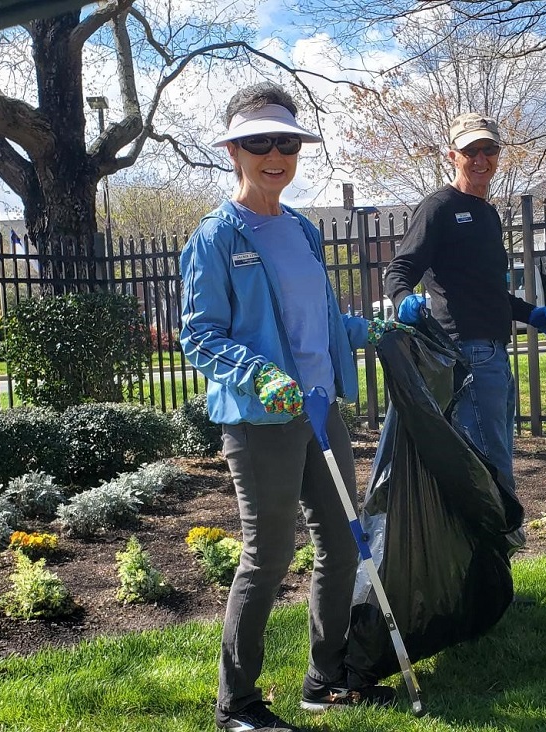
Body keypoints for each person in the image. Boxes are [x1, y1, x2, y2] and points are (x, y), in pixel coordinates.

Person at [180, 82, 400, 732]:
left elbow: (317, 319)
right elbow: (200, 334)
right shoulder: (216, 237)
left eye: (286, 142)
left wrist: (366, 331)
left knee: (342, 542)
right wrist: (259, 376)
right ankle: (237, 705)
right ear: (234, 151)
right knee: (267, 555)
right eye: (259, 143)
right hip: (260, 420)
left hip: (321, 408)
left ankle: (324, 679)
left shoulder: (302, 228)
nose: (275, 154)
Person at [383, 113, 546, 518]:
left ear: (498, 155)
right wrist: (402, 300)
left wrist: (536, 314)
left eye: (489, 150)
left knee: (496, 454)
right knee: (490, 464)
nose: (480, 159)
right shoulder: (438, 207)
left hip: (494, 353)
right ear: (453, 156)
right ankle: (492, 561)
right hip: (465, 353)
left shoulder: (487, 214)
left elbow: (489, 293)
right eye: (470, 151)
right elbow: (399, 269)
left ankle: (492, 562)